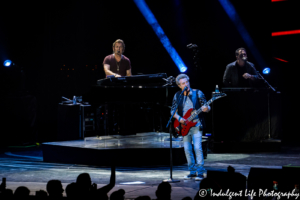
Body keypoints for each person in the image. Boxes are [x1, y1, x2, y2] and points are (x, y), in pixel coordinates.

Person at [171, 74, 210, 181]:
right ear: (179, 85)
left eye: (187, 82)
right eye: (183, 83)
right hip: (184, 125)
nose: (186, 84)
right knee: (187, 149)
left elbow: (207, 106)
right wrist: (179, 119)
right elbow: (172, 111)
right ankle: (192, 171)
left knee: (197, 147)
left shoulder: (198, 93)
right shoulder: (177, 95)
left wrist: (206, 108)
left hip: (196, 124)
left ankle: (200, 172)